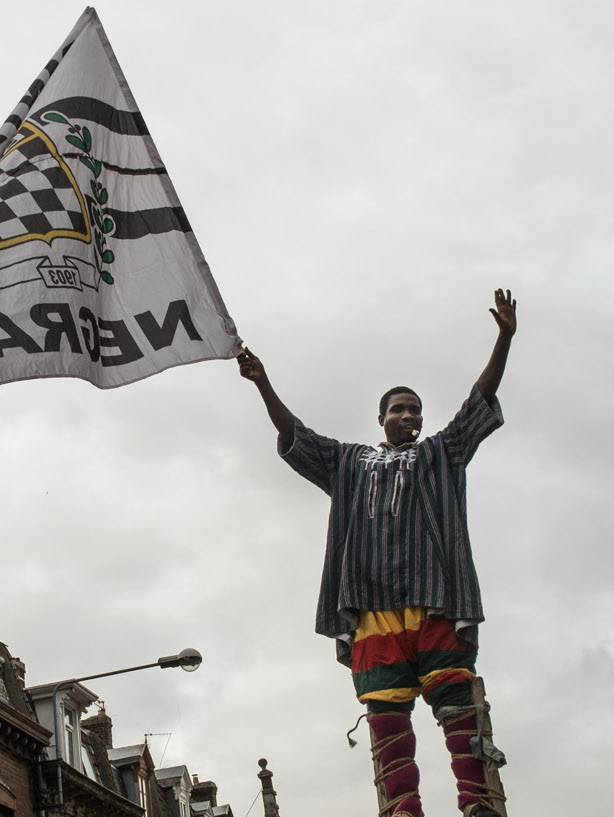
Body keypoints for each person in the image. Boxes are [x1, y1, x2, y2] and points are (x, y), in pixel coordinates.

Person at [236, 289, 517, 817]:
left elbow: (478, 400)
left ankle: (479, 805)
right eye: (398, 408)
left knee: (459, 709)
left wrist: (503, 338)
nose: (408, 414)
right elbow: (294, 434)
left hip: (436, 599)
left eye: (415, 409)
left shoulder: (442, 452)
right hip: (370, 609)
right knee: (388, 723)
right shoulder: (348, 463)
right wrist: (262, 383)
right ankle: (402, 810)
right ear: (382, 418)